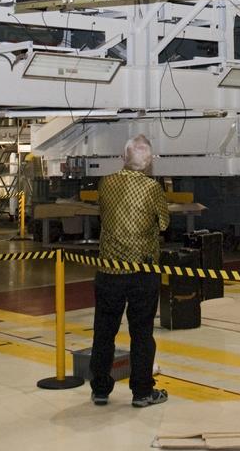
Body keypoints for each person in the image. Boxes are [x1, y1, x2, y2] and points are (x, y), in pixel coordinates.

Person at [88, 134, 170, 408]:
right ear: (149, 162)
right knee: (142, 333)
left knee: (104, 332)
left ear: (124, 158)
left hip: (109, 270)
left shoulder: (106, 183)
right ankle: (142, 392)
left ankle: (100, 389)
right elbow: (164, 224)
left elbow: (104, 214)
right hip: (141, 271)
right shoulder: (152, 188)